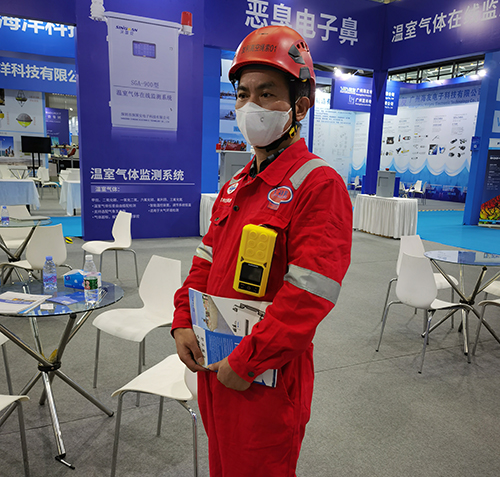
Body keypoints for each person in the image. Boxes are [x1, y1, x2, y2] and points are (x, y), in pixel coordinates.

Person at [172, 25, 352, 476]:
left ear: (300, 106)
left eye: (267, 93)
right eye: (243, 94)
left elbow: (309, 294)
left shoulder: (318, 185)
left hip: (265, 375)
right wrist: (182, 322)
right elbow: (205, 261)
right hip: (216, 360)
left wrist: (248, 360)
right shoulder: (237, 184)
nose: (251, 106)